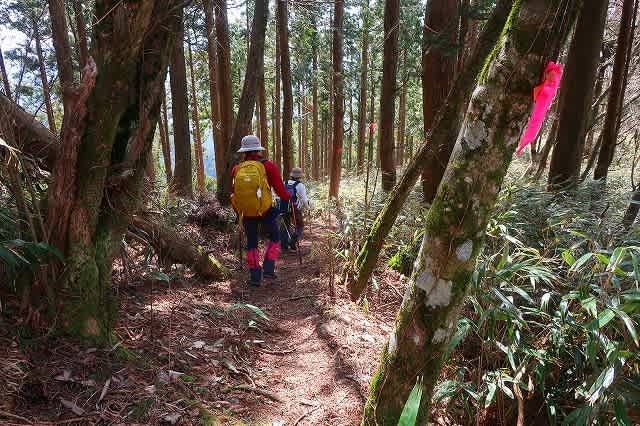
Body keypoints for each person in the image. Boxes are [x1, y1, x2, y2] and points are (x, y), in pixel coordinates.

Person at [231, 135, 290, 287]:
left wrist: (238, 214)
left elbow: (234, 194)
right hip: (265, 210)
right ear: (258, 149)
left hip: (247, 213)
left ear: (244, 151)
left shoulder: (237, 169)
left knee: (252, 243)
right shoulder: (268, 166)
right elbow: (280, 190)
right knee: (275, 237)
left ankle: (255, 277)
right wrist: (288, 196)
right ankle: (269, 269)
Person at [279, 167, 310, 250]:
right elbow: (304, 199)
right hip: (295, 208)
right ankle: (293, 241)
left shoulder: (284, 183)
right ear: (300, 176)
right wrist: (307, 207)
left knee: (285, 226)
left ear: (291, 175)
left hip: (283, 207)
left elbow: (279, 194)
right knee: (300, 226)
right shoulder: (300, 185)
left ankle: (284, 245)